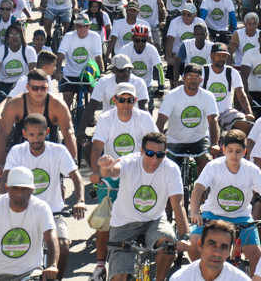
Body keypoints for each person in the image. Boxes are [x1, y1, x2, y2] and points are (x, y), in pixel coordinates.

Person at [0, 114, 85, 280]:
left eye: (40, 134)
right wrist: (1, 206)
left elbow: (76, 177)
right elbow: (5, 181)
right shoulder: (17, 152)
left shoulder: (58, 151)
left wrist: (80, 200)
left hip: (53, 212)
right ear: (24, 134)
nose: (36, 139)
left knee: (63, 245)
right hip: (24, 213)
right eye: (31, 135)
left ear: (47, 132)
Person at [98, 131, 191, 281]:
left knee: (168, 246)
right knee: (119, 277)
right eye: (150, 153)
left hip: (154, 220)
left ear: (165, 154)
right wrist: (105, 167)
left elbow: (178, 204)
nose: (154, 159)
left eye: (160, 155)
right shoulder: (130, 162)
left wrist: (185, 236)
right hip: (124, 222)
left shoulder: (171, 169)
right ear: (141, 151)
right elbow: (111, 171)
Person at [88, 82, 158, 280]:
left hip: (139, 173)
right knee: (105, 222)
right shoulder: (106, 118)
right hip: (112, 174)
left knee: (143, 217)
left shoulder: (144, 118)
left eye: (130, 100)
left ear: (135, 101)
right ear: (115, 101)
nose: (126, 104)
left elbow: (155, 142)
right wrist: (96, 172)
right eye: (122, 100)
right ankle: (101, 265)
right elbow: (97, 147)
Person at [188, 130, 261, 275]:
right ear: (224, 150)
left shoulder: (252, 170)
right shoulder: (213, 166)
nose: (234, 155)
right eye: (230, 151)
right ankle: (202, 276)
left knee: (256, 256)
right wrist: (194, 212)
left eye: (238, 151)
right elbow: (199, 188)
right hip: (212, 215)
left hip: (242, 218)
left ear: (244, 152)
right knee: (194, 245)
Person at [0, 69, 77, 176]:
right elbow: (3, 132)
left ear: (48, 87)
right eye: (35, 88)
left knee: (60, 189)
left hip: (51, 156)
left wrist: (73, 162)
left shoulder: (57, 105)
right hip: (22, 157)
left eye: (43, 88)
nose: (39, 92)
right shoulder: (15, 104)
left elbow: (68, 133)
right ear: (27, 87)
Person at [158, 63, 219, 176]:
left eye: (196, 77)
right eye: (190, 76)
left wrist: (215, 144)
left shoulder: (207, 96)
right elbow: (161, 120)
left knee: (207, 164)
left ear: (201, 80)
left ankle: (200, 192)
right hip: (175, 140)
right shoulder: (173, 95)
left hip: (199, 139)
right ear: (184, 78)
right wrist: (158, 143)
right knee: (168, 171)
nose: (193, 80)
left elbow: (213, 121)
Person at [171, 220, 252, 281]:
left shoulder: (240, 279)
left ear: (229, 251)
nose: (217, 253)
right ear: (200, 245)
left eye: (224, 247)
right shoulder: (180, 278)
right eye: (212, 244)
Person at [200, 43, 255, 133]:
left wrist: (249, 113)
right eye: (218, 55)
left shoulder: (232, 72)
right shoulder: (203, 71)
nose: (221, 58)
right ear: (211, 56)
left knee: (244, 124)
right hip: (206, 112)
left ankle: (237, 145)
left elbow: (240, 94)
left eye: (224, 56)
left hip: (226, 112)